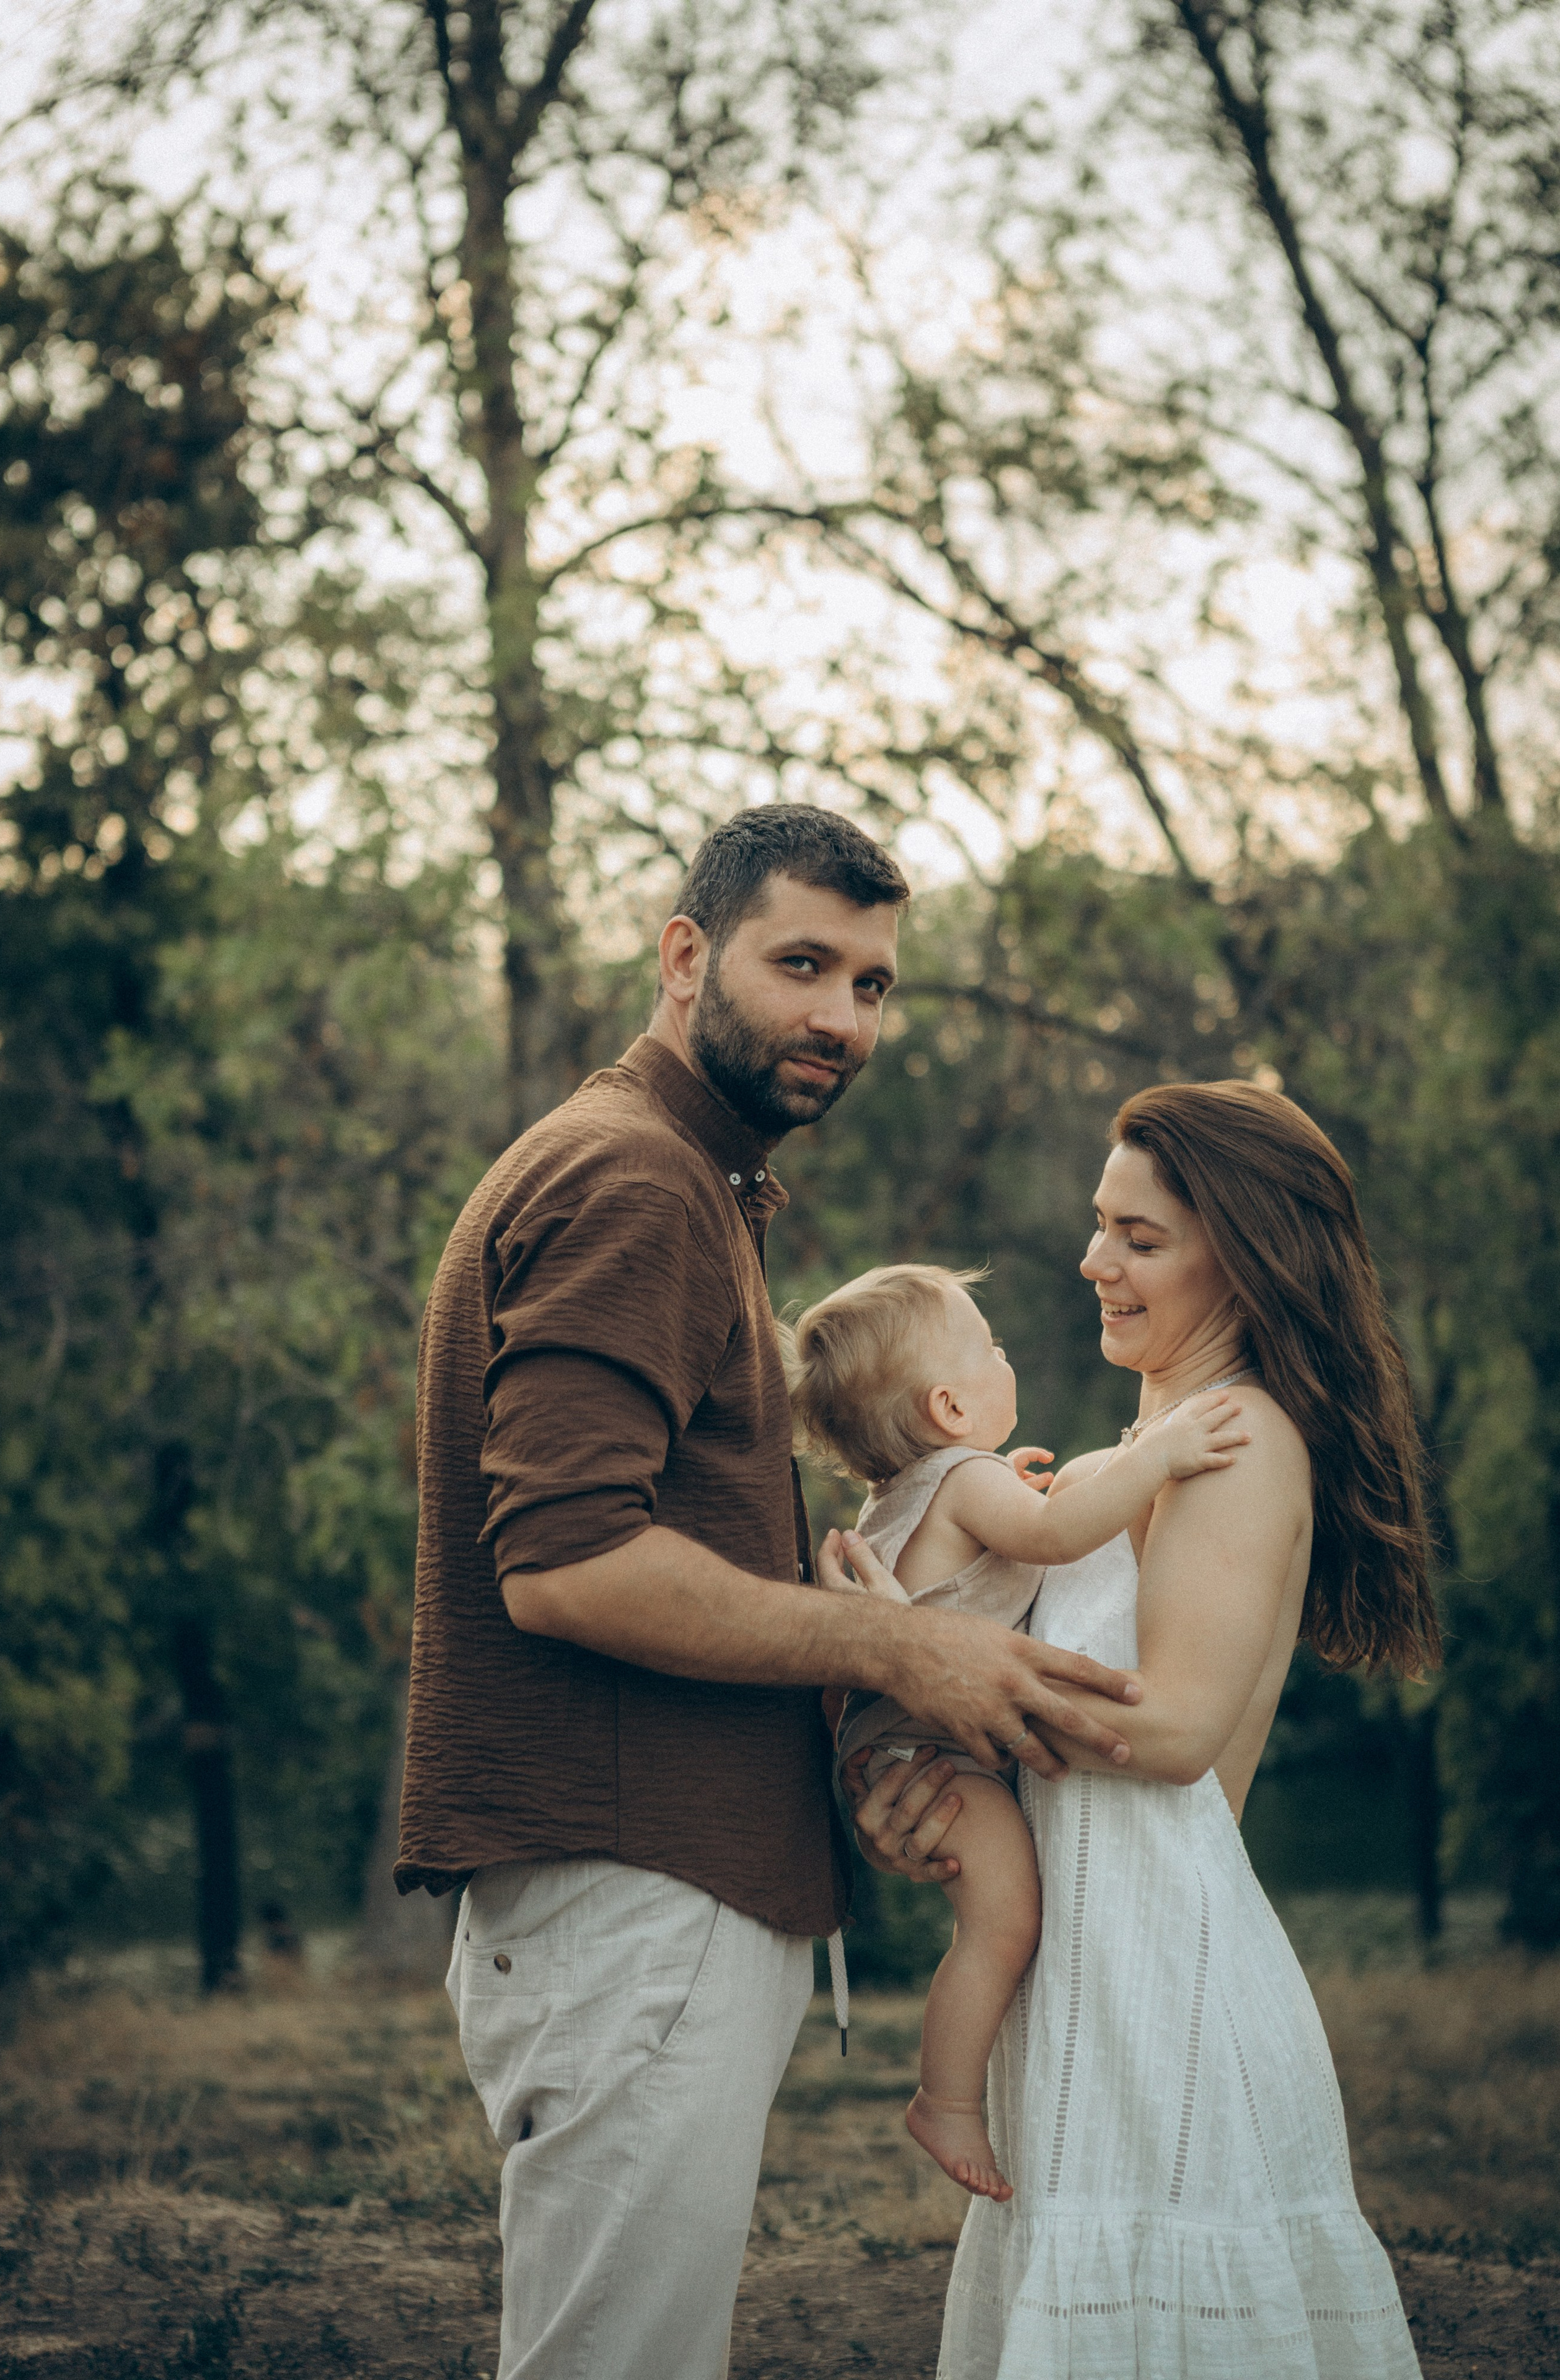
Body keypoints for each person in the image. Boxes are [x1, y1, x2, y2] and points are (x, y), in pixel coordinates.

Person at [393, 804, 1144, 2380]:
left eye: (870, 983)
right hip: (629, 1886)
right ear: (683, 957)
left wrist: (837, 1652)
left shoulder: (676, 1177)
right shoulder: (635, 1182)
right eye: (800, 964)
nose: (840, 1018)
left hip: (648, 1882)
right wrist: (901, 1651)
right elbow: (568, 1563)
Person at [832, 1081, 1437, 2379]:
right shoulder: (1150, 1444)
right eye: (1100, 1225)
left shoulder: (1238, 1442)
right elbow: (1025, 1720)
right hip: (1094, 1976)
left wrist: (927, 1663)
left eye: (1140, 1238)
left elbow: (1162, 1735)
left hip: (1166, 1986)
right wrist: (919, 1771)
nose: (1094, 1259)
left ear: (1247, 1256)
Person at [783, 1261, 1251, 2203]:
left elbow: (997, 1549)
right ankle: (944, 2100)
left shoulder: (917, 1490)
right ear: (952, 1406)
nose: (1006, 1357)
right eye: (989, 1348)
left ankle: (951, 2092)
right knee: (1007, 1921)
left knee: (1003, 1918)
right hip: (926, 1750)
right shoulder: (964, 1480)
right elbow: (1061, 1535)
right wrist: (1155, 1458)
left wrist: (1015, 1496)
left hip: (894, 1743)